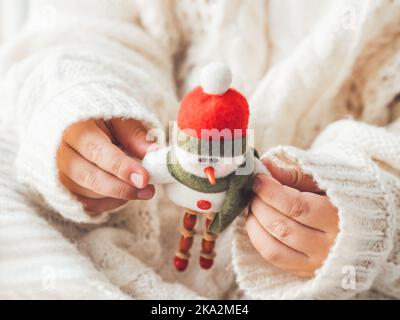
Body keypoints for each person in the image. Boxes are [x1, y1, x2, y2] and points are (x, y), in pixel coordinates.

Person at [0, 0, 399, 299]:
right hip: (107, 224)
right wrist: (84, 103)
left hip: (321, 260)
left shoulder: (245, 171)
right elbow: (79, 29)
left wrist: (367, 208)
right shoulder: (177, 161)